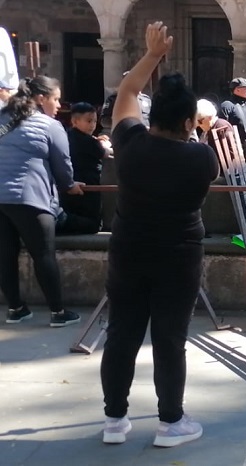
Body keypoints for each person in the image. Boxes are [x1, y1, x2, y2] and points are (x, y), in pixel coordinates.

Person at [99, 22, 219, 447]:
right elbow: (195, 149)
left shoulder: (129, 144)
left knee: (121, 334)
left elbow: (128, 92)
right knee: (170, 339)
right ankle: (170, 422)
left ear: (154, 116)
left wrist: (152, 55)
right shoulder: (202, 159)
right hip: (179, 255)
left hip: (128, 250)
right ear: (189, 121)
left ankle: (115, 420)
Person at [0, 76, 83, 327]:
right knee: (43, 254)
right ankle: (58, 312)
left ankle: (15, 308)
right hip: (30, 197)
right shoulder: (49, 125)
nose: (59, 105)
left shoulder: (2, 118)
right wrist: (69, 186)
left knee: (4, 254)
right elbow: (63, 165)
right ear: (41, 98)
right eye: (55, 99)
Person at [57, 102, 112, 235]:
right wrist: (106, 144)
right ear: (75, 121)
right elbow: (105, 152)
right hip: (86, 183)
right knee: (91, 222)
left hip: (74, 182)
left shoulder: (68, 136)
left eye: (94, 121)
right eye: (88, 121)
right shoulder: (88, 141)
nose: (92, 125)